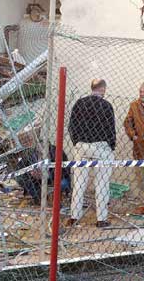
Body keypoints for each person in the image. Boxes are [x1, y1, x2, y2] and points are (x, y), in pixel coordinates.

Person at [67, 79, 116, 228]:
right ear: (103, 89)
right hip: (100, 147)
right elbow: (110, 129)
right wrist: (111, 147)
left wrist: (77, 142)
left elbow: (71, 126)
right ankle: (101, 219)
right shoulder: (106, 106)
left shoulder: (79, 103)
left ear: (92, 88)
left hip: (82, 146)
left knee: (79, 183)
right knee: (102, 184)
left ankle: (74, 217)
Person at [123, 83, 144, 197]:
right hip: (139, 149)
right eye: (140, 91)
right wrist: (133, 135)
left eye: (143, 92)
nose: (141, 94)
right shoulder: (134, 106)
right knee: (141, 180)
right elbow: (127, 122)